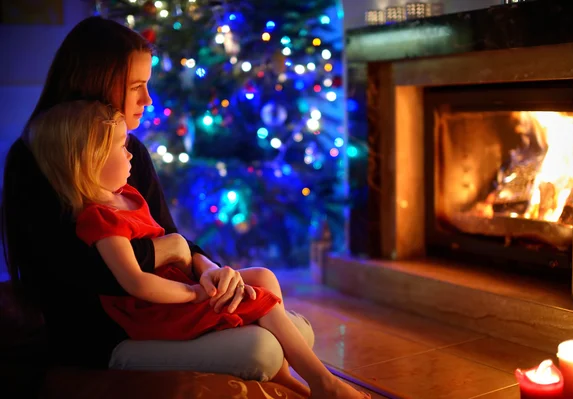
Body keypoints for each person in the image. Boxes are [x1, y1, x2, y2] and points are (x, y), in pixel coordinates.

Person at [2, 16, 314, 383]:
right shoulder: (37, 159)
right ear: (96, 82)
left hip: (165, 307)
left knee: (285, 324)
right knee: (266, 347)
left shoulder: (130, 150)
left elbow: (167, 232)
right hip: (105, 334)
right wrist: (169, 252)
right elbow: (80, 272)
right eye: (135, 86)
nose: (147, 100)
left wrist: (208, 269)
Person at [29, 100, 369, 398]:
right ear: (89, 160)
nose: (131, 153)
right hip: (153, 310)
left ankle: (287, 381)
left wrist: (204, 276)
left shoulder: (130, 196)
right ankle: (321, 381)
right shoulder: (99, 220)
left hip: (178, 288)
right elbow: (136, 283)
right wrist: (194, 293)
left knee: (262, 277)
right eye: (121, 147)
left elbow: (176, 246)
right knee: (263, 307)